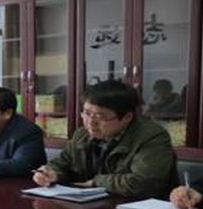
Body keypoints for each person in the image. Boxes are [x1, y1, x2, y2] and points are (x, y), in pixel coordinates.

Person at [33, 80, 176, 198]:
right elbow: (62, 162)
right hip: (90, 207)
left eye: (100, 116)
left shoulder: (152, 137)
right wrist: (51, 173)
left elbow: (143, 183)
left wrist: (97, 182)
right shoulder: (82, 134)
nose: (91, 122)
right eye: (87, 113)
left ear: (127, 117)